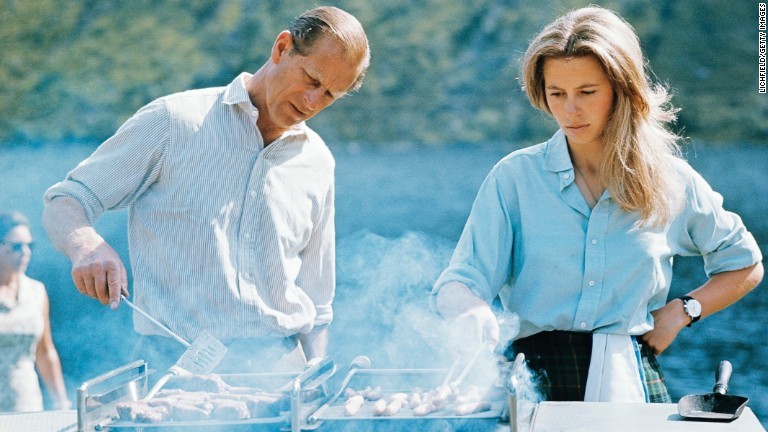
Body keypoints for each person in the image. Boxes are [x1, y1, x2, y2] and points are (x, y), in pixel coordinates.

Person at [431, 6, 763, 403]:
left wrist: (683, 311)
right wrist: (468, 308)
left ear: (621, 89)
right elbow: (460, 280)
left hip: (632, 377)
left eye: (587, 92)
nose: (570, 110)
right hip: (530, 381)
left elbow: (745, 263)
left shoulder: (672, 181)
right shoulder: (514, 178)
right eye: (557, 94)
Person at [42, 6, 370, 375]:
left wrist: (313, 378)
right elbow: (66, 199)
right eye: (311, 79)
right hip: (173, 366)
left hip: (280, 372)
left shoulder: (318, 162)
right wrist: (85, 243)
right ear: (282, 48)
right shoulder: (174, 121)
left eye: (329, 95)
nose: (312, 103)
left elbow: (317, 302)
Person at [0, 211, 70, 412]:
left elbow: (45, 350)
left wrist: (61, 402)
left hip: (26, 402)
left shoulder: (36, 291)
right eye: (16, 246)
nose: (25, 252)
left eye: (29, 245)